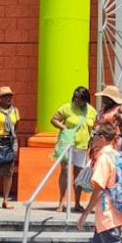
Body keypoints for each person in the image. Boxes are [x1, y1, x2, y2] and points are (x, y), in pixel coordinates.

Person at [50, 86, 96, 214]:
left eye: (79, 98)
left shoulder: (91, 111)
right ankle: (61, 202)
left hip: (82, 146)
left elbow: (94, 127)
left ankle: (77, 203)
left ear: (85, 99)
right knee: (64, 171)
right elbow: (54, 119)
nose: (76, 100)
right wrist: (64, 128)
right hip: (67, 144)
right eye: (75, 97)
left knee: (78, 175)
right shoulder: (67, 107)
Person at [88, 85, 122, 163]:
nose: (102, 99)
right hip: (99, 139)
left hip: (112, 140)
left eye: (105, 97)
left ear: (111, 99)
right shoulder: (103, 109)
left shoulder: (120, 108)